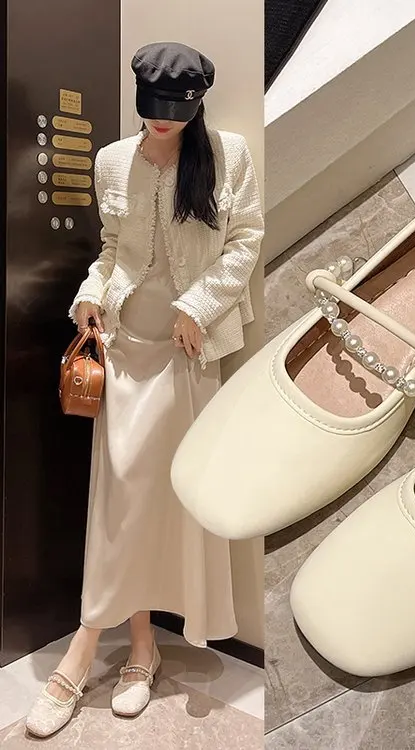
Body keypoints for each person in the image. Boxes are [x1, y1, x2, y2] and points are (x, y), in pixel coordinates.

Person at [25, 42, 264, 738]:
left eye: (175, 112)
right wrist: (89, 296)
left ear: (196, 104)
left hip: (189, 352)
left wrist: (199, 307)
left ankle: (143, 650)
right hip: (126, 350)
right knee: (120, 499)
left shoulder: (228, 155)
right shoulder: (111, 160)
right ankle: (98, 648)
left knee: (167, 499)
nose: (163, 122)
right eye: (153, 110)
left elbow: (245, 240)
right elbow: (112, 250)